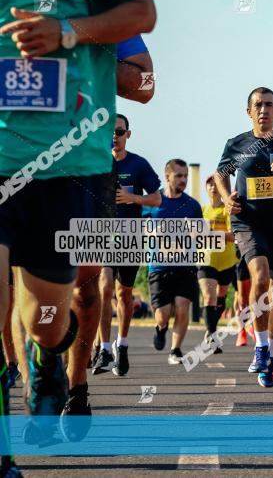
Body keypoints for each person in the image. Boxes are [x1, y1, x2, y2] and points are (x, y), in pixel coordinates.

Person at [0, 0, 156, 454]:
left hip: (79, 161)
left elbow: (145, 85)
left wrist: (76, 43)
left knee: (82, 285)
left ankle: (74, 377)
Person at [65, 36, 156, 440]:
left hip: (87, 167)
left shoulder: (106, 12)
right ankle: (38, 371)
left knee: (86, 290)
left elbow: (148, 85)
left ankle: (76, 388)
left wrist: (85, 50)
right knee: (16, 291)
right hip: (20, 158)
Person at [213, 88, 273, 388]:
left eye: (269, 105)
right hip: (248, 221)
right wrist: (225, 198)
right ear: (249, 111)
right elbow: (220, 174)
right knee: (260, 277)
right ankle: (261, 349)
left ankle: (269, 347)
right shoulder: (237, 144)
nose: (264, 110)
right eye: (258, 105)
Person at [92, 113, 161, 377]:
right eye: (110, 132)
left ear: (127, 135)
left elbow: (156, 199)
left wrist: (132, 197)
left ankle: (122, 344)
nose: (114, 137)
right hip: (103, 235)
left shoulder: (139, 164)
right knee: (104, 285)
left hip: (131, 235)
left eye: (119, 132)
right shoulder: (96, 163)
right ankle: (105, 349)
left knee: (124, 293)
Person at [144, 160, 203, 365]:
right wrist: (152, 231)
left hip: (185, 265)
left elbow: (200, 234)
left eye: (186, 175)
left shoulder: (193, 205)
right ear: (167, 176)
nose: (184, 180)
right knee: (163, 314)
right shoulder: (152, 202)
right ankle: (161, 328)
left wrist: (194, 232)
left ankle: (176, 350)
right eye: (179, 176)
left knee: (182, 305)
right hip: (159, 265)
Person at [198, 174, 237, 353]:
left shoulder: (226, 210)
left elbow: (233, 236)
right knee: (209, 296)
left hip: (227, 261)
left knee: (220, 297)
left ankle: (210, 330)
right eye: (210, 185)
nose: (213, 188)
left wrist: (211, 233)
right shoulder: (201, 211)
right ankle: (212, 335)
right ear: (206, 189)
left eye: (216, 185)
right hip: (206, 260)